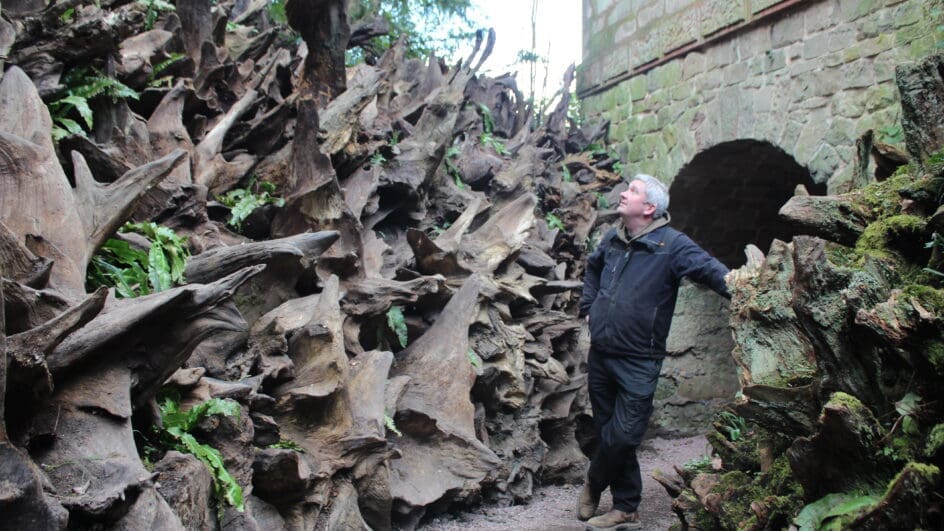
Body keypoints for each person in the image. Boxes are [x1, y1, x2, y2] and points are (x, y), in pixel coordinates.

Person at [577, 174, 730, 530]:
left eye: (632, 191)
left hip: (639, 360)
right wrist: (589, 305)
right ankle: (626, 507)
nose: (623, 193)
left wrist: (744, 287)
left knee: (625, 434)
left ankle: (594, 481)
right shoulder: (612, 238)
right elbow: (594, 267)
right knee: (606, 431)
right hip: (601, 354)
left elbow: (708, 269)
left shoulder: (671, 245)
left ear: (649, 208)